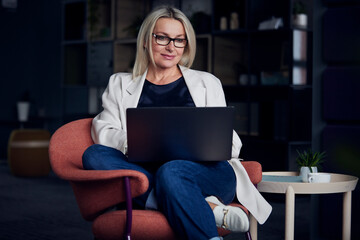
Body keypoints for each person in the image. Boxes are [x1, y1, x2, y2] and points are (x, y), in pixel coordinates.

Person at [82, 6, 272, 240]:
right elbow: (103, 129)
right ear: (145, 40)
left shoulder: (207, 82)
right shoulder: (120, 83)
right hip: (146, 173)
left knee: (171, 170)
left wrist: (201, 146)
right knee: (94, 155)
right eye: (162, 38)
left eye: (179, 40)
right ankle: (207, 210)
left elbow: (230, 142)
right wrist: (134, 142)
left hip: (208, 174)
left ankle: (186, 205)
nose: (171, 47)